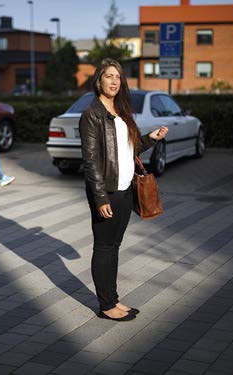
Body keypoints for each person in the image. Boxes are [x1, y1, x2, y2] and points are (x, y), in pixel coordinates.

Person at [79, 58, 168, 321]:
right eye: (109, 76)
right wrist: (100, 197)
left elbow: (129, 151)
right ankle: (106, 306)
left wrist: (149, 139)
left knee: (114, 247)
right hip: (107, 191)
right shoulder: (92, 115)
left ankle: (113, 300)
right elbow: (91, 160)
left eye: (118, 76)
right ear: (99, 80)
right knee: (104, 247)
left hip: (126, 189)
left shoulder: (122, 111)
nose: (115, 81)